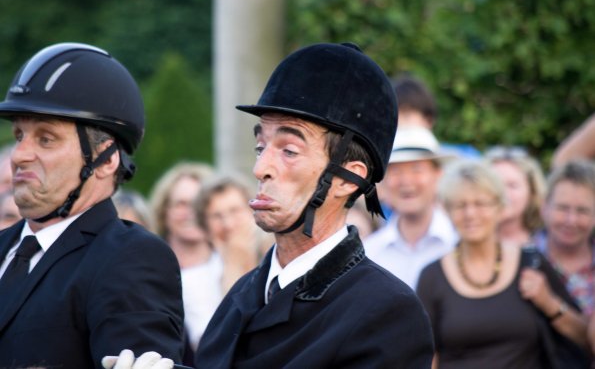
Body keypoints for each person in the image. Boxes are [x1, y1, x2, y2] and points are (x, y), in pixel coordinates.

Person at [105, 42, 434, 368]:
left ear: (348, 178)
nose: (260, 168)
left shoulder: (388, 312)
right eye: (261, 146)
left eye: (289, 151)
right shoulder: (240, 298)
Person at [0, 43, 184, 367]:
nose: (19, 155)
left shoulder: (131, 258)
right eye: (19, 135)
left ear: (106, 159)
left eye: (45, 138)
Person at [417, 160, 589, 369]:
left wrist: (549, 302)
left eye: (480, 203)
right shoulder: (432, 276)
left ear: (500, 207)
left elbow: (585, 337)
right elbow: (425, 356)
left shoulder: (530, 262)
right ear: (447, 211)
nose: (470, 214)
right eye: (460, 205)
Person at [364, 125, 458, 289]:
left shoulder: (459, 243)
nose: (406, 181)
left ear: (438, 176)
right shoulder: (369, 253)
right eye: (396, 172)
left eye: (417, 170)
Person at [149, 162, 214, 363]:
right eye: (181, 204)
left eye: (198, 203)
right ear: (164, 210)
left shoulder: (233, 265)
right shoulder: (147, 268)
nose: (191, 212)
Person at [534, 159, 595, 318]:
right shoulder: (518, 260)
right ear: (544, 207)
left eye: (582, 211)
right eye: (562, 208)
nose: (571, 221)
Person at [485, 146, 547, 246]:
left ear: (532, 192)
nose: (502, 193)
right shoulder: (464, 242)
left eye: (512, 185)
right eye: (495, 183)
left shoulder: (547, 244)